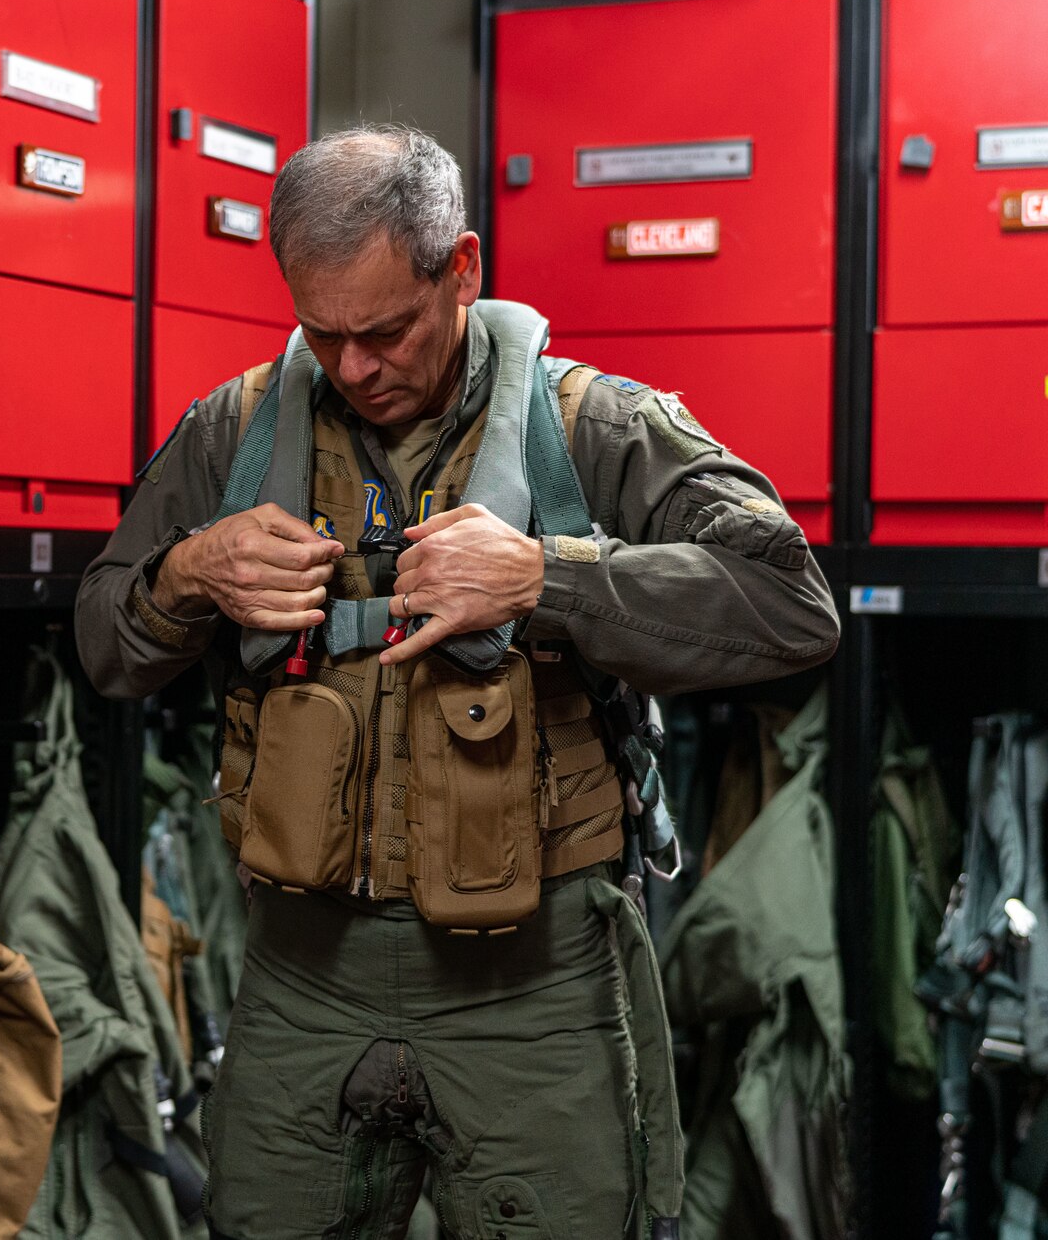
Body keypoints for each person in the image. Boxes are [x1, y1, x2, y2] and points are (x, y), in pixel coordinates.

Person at [74, 125, 840, 1239]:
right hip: (300, 976)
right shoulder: (231, 432)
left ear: (461, 267)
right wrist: (190, 570)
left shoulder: (592, 426)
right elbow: (103, 644)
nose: (351, 367)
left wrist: (550, 576)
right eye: (320, 333)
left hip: (532, 987)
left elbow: (790, 605)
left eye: (383, 330)